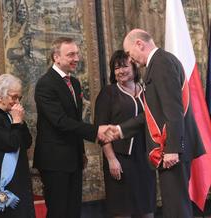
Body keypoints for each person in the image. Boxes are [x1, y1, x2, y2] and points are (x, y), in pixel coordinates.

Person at [115, 29, 205, 218]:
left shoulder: (161, 63)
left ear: (140, 44)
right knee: (175, 205)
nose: (131, 60)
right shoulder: (160, 62)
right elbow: (153, 113)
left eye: (130, 54)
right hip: (170, 147)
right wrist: (119, 130)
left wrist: (172, 148)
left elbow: (173, 109)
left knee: (176, 209)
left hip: (171, 150)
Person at [33, 37, 117, 218]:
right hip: (54, 161)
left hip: (73, 158)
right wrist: (96, 131)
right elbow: (60, 122)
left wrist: (81, 153)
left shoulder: (75, 83)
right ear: (56, 57)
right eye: (70, 54)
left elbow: (75, 120)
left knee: (73, 211)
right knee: (59, 211)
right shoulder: (45, 84)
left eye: (77, 54)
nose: (76, 58)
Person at [94, 50, 156, 218]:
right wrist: (111, 159)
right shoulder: (108, 93)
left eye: (124, 66)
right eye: (116, 68)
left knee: (147, 210)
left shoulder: (147, 90)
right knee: (123, 211)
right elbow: (102, 130)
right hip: (120, 161)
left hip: (145, 158)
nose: (120, 71)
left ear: (135, 67)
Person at [0, 73, 35, 218]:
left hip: (20, 178)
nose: (17, 102)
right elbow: (11, 145)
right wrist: (17, 122)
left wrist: (19, 123)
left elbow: (27, 142)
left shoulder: (10, 115)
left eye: (19, 97)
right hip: (6, 182)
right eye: (13, 97)